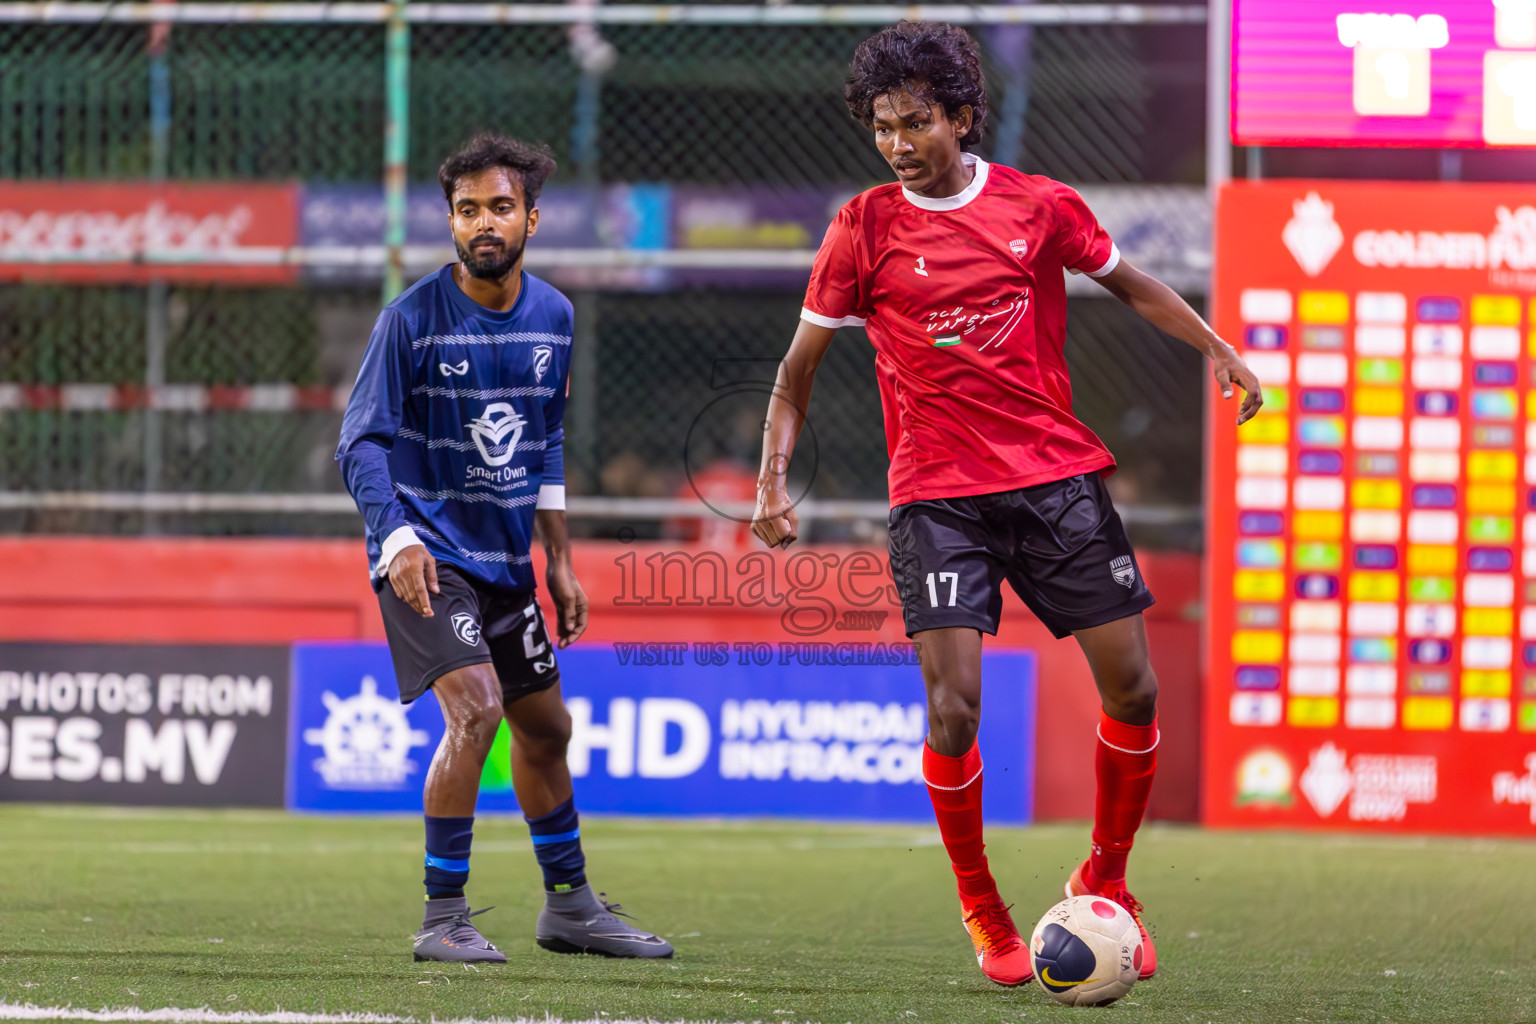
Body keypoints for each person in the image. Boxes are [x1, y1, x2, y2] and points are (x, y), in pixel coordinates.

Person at [751, 23, 1262, 988]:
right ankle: (983, 904)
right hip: (938, 496)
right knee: (953, 709)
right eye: (881, 127)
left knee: (1136, 690)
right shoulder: (862, 227)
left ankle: (1107, 876)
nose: (898, 143)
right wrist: (774, 478)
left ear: (960, 116)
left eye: (916, 122)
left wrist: (1217, 348)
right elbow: (795, 372)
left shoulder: (1039, 205)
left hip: (1055, 481)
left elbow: (1131, 284)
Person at [337, 133, 672, 963]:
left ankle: (570, 908)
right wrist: (397, 536)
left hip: (505, 565)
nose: (483, 223)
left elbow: (545, 438)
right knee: (478, 708)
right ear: (449, 222)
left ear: (531, 217)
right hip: (424, 559)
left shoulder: (555, 315)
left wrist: (557, 560)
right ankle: (442, 915)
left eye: (498, 207)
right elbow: (359, 443)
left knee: (547, 729)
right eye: (466, 210)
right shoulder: (409, 319)